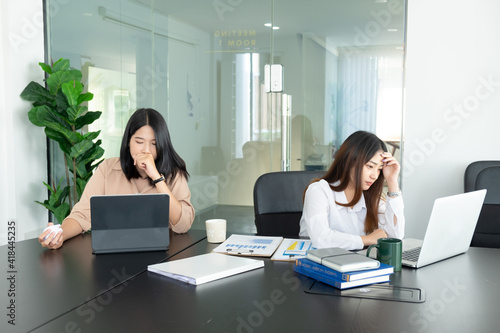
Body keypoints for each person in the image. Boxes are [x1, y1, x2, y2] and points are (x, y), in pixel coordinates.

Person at [39, 108, 195, 249]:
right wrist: (59, 235)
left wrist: (156, 177)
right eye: (139, 142)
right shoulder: (108, 168)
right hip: (113, 253)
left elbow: (183, 225)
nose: (146, 150)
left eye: (154, 144)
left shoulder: (174, 173)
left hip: (160, 255)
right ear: (128, 141)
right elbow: (83, 214)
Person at [299, 130, 404, 250]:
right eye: (370, 166)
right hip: (316, 264)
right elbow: (321, 239)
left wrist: (392, 182)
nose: (374, 176)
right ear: (349, 161)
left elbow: (395, 236)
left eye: (379, 169)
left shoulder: (371, 196)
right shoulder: (319, 191)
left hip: (354, 263)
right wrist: (367, 239)